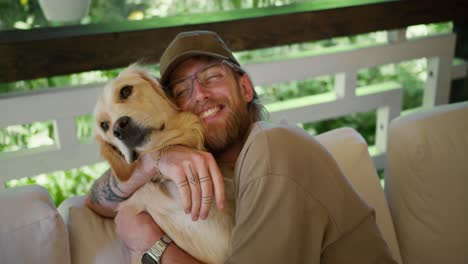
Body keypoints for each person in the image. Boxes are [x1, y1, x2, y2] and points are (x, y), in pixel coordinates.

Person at [86, 30, 397, 263]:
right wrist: (157, 160)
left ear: (245, 87)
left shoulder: (274, 145)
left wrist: (154, 246)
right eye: (182, 90)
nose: (200, 95)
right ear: (172, 105)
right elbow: (96, 201)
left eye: (212, 76)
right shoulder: (208, 175)